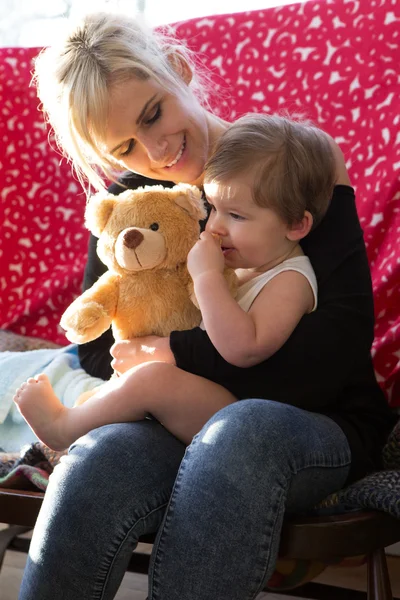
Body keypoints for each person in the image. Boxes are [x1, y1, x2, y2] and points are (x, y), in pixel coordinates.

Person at [18, 11, 396, 600]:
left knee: (239, 430)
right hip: (177, 418)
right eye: (124, 146)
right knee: (95, 459)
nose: (158, 150)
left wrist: (176, 351)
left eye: (154, 114)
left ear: (178, 70)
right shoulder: (132, 200)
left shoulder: (287, 164)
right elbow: (99, 351)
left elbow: (332, 354)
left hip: (318, 419)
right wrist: (169, 376)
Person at [14, 114, 334, 452]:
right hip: (216, 400)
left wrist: (207, 277)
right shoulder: (244, 266)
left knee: (154, 380)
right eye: (214, 209)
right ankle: (88, 416)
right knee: (133, 383)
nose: (215, 228)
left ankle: (64, 428)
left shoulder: (291, 279)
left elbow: (243, 349)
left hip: (247, 421)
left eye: (237, 215)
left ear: (296, 226)